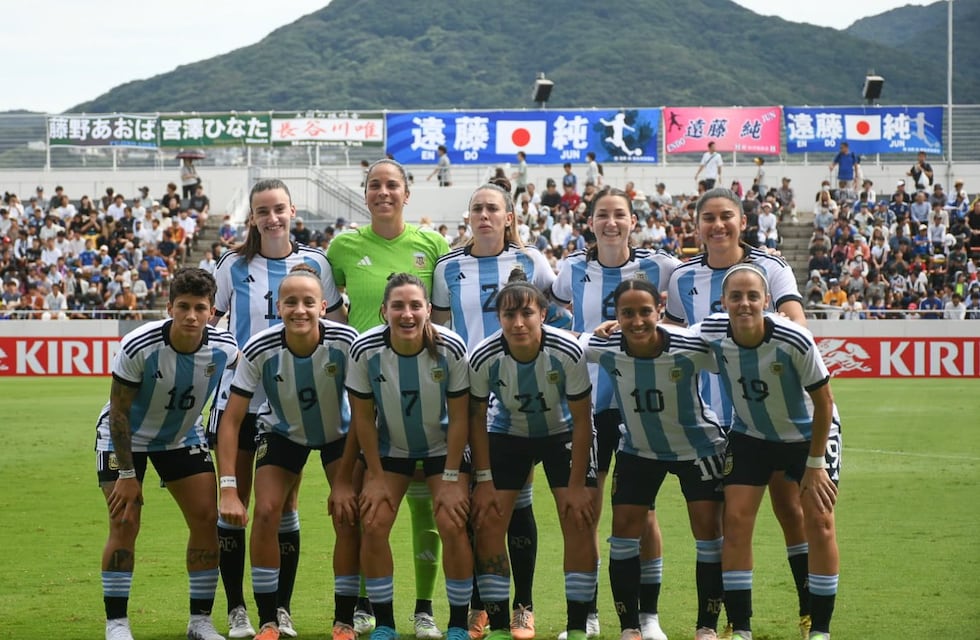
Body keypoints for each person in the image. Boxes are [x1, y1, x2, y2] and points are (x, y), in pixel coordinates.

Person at [664, 188, 815, 639]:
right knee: (724, 524)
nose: (717, 225)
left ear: (742, 221)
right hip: (711, 423)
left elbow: (796, 323)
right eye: (707, 218)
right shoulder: (681, 278)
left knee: (791, 510)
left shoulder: (770, 266)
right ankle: (726, 622)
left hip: (768, 416)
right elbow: (673, 338)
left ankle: (809, 613)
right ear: (696, 226)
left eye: (726, 216)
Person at [210, 179, 347, 639]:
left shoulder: (316, 263)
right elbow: (212, 322)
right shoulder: (233, 264)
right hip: (245, 395)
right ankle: (236, 608)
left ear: (292, 213)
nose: (271, 218)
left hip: (296, 399)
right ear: (252, 217)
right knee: (237, 503)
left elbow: (335, 325)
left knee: (284, 502)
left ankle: (279, 610)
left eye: (279, 209)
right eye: (262, 211)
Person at [431, 181, 561, 640]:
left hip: (516, 404)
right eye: (477, 209)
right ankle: (481, 607)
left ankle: (522, 605)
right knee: (475, 508)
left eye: (493, 209)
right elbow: (441, 328)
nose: (484, 215)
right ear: (469, 217)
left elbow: (555, 317)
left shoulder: (532, 262)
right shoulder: (448, 267)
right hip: (466, 401)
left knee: (516, 503)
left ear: (509, 217)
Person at [328, 158, 452, 639]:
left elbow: (440, 319)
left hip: (421, 390)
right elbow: (326, 308)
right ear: (366, 194)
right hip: (363, 392)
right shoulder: (342, 247)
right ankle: (364, 602)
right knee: (366, 501)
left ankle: (424, 607)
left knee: (426, 505)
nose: (383, 192)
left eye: (392, 185)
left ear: (407, 193)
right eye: (375, 185)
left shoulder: (432, 244)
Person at [552, 187, 681, 640]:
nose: (611, 222)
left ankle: (648, 617)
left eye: (619, 215)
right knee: (586, 507)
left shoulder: (661, 267)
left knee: (642, 513)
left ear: (632, 221)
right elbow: (563, 317)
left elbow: (680, 325)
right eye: (602, 215)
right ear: (590, 222)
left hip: (638, 409)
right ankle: (586, 615)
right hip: (588, 406)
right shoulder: (571, 270)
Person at [94, 268, 239, 640]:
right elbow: (119, 412)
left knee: (207, 519)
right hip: (123, 438)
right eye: (184, 307)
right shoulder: (139, 345)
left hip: (179, 436)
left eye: (200, 308)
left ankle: (200, 621)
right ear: (169, 307)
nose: (192, 316)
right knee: (125, 523)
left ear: (211, 311)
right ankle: (117, 623)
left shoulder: (225, 349)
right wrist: (127, 476)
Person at [699, 264, 841, 640]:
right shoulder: (712, 330)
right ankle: (741, 627)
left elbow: (825, 404)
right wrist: (614, 329)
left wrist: (815, 464)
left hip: (808, 435)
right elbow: (671, 336)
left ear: (766, 301)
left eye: (752, 296)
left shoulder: (793, 339)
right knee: (736, 523)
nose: (744, 303)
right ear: (723, 302)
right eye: (736, 296)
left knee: (820, 523)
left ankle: (819, 627)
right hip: (752, 435)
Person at [583, 279, 726, 640]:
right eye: (626, 313)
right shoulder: (604, 344)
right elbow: (565, 344)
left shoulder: (688, 345)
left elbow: (732, 356)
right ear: (615, 316)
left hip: (699, 449)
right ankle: (633, 625)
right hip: (639, 450)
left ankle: (706, 626)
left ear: (659, 310)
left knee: (708, 533)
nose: (637, 321)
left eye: (645, 311)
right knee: (624, 533)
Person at [468, 274, 597, 640]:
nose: (519, 322)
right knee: (490, 522)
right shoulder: (484, 356)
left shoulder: (567, 350)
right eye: (509, 315)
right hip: (508, 434)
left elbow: (583, 419)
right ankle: (497, 627)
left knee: (577, 520)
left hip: (561, 434)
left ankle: (576, 627)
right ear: (499, 318)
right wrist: (484, 480)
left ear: (543, 313)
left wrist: (575, 485)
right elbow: (476, 419)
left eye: (527, 312)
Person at [347, 273, 473, 640]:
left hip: (442, 450)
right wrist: (374, 474)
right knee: (373, 523)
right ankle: (384, 623)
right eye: (398, 306)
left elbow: (462, 416)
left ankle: (457, 625)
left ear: (428, 310)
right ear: (383, 310)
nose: (407, 314)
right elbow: (363, 418)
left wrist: (451, 478)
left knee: (452, 523)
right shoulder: (365, 349)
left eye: (415, 305)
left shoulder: (451, 347)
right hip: (391, 450)